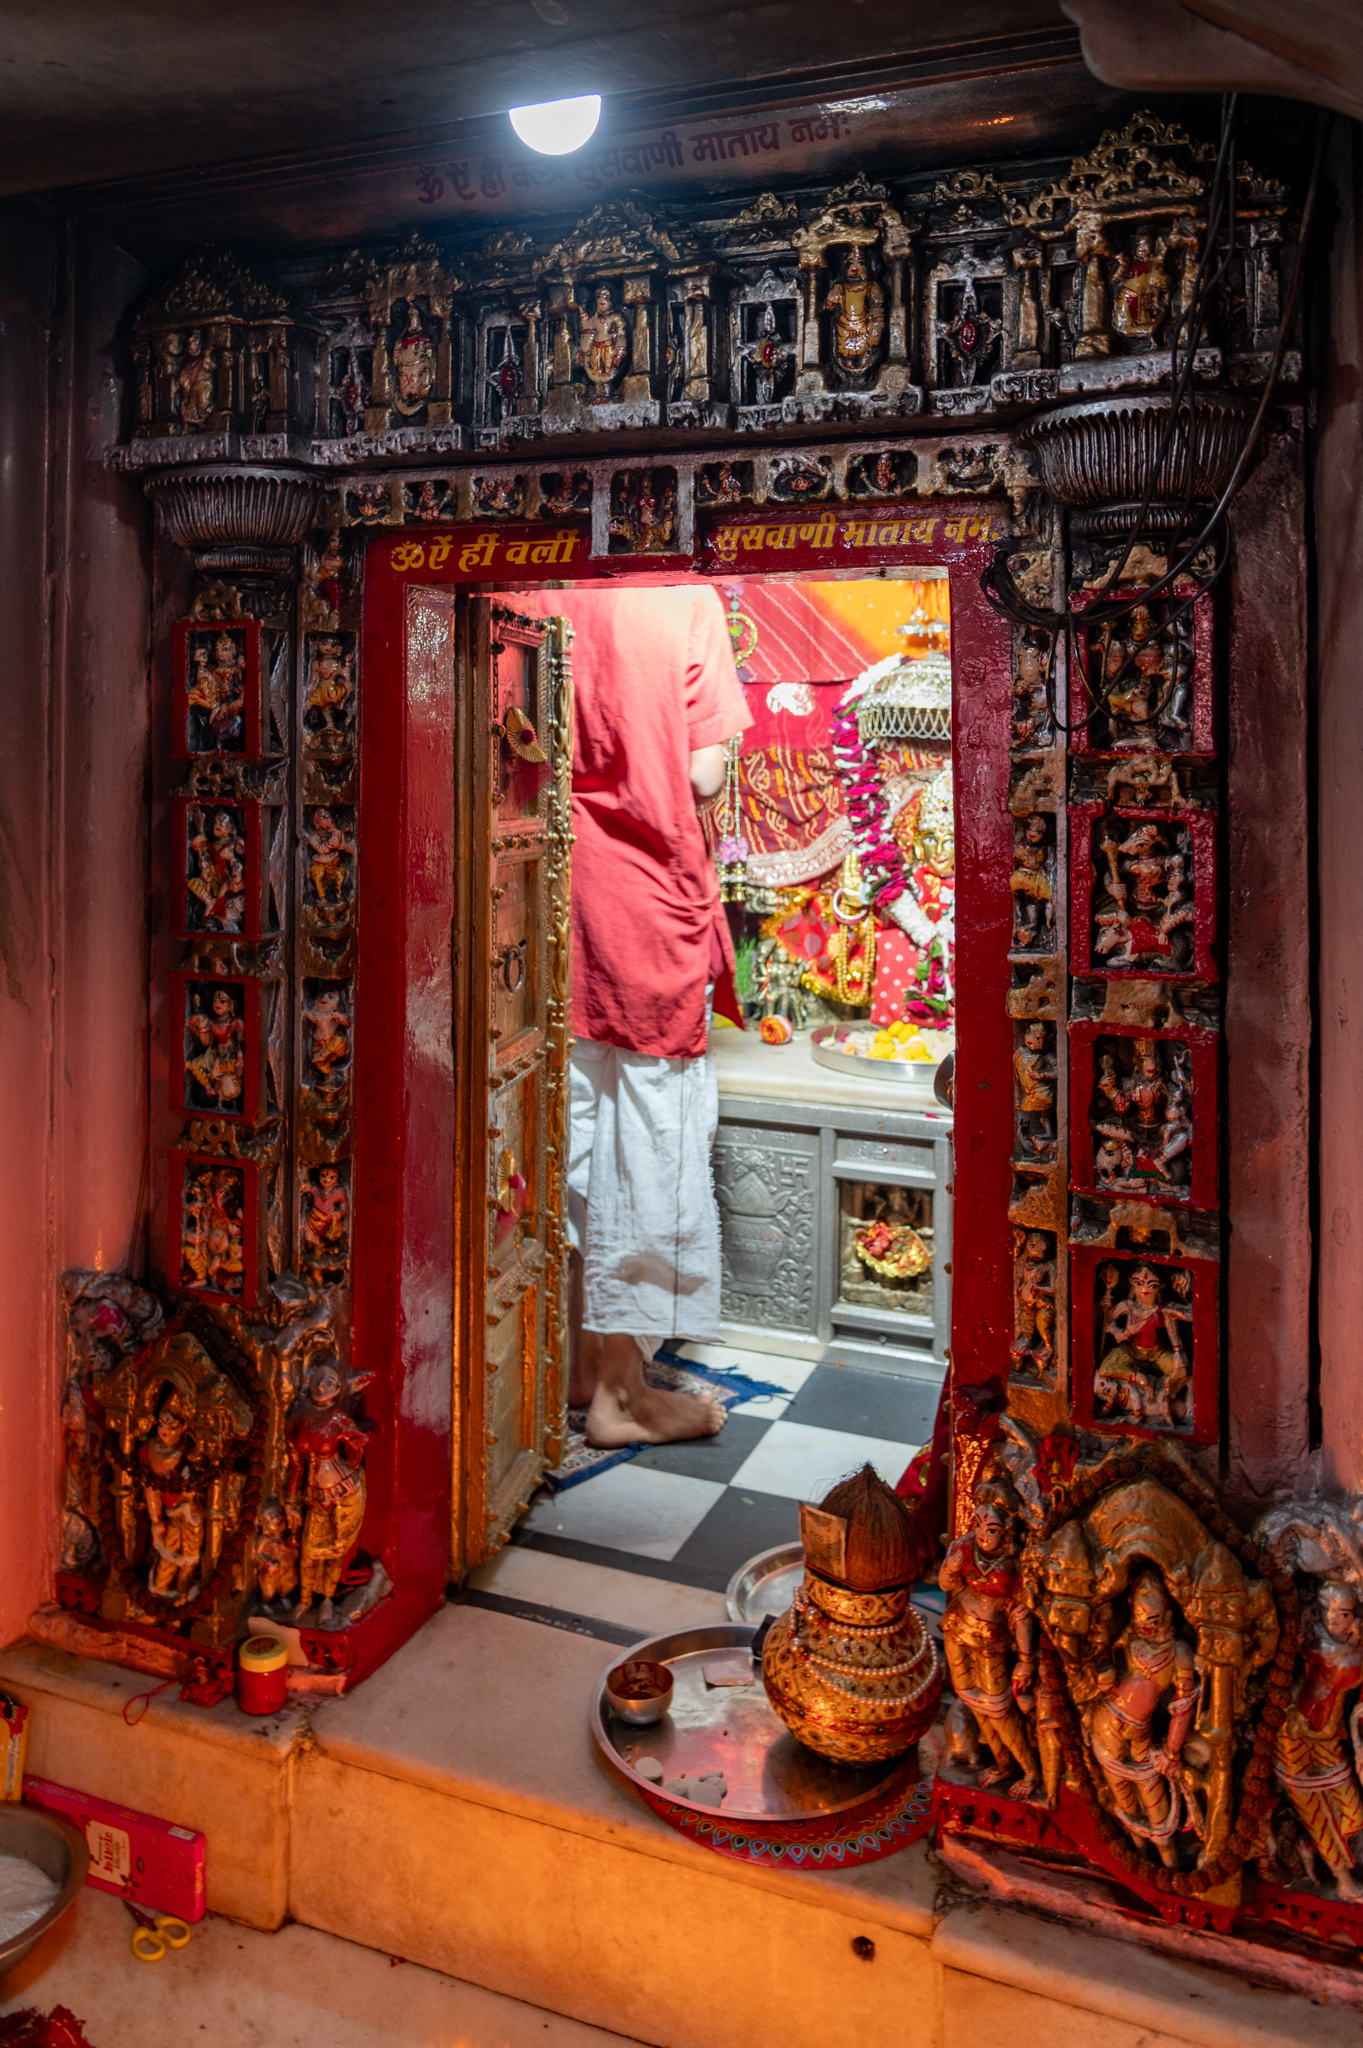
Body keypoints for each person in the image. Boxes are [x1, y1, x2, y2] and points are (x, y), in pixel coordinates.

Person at [521, 584, 751, 1446]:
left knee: (567, 1133)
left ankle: (577, 1362)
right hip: (649, 901)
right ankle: (623, 1392)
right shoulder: (682, 598)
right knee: (649, 1140)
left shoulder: (531, 579)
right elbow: (702, 772)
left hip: (547, 895)